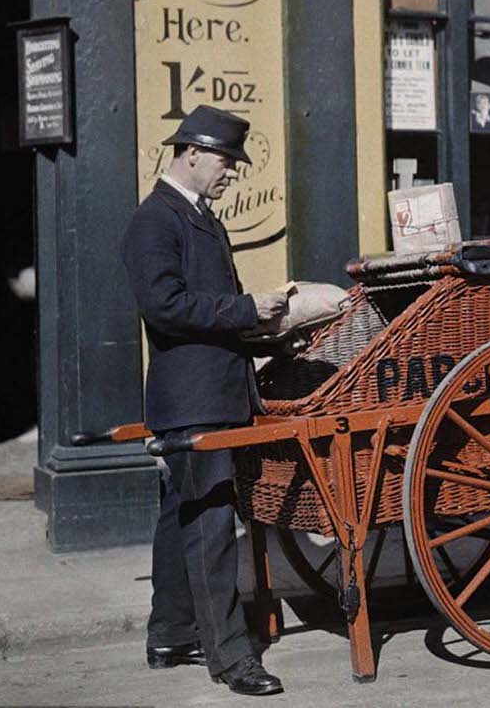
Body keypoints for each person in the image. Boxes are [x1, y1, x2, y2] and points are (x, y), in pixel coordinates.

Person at [121, 104, 289, 697]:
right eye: (226, 160)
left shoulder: (197, 216)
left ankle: (170, 634)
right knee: (211, 525)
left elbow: (201, 301)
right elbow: (163, 305)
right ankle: (233, 659)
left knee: (181, 516)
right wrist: (246, 311)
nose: (232, 173)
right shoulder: (155, 221)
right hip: (193, 400)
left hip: (210, 393)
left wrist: (259, 327)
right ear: (191, 153)